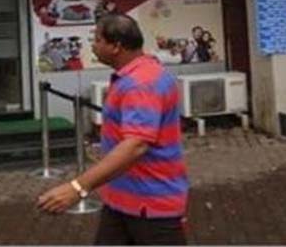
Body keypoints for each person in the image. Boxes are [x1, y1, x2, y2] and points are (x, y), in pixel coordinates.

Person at [37, 14, 188, 245]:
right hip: (122, 202)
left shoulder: (141, 83)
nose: (93, 45)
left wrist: (78, 188)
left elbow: (136, 145)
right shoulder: (138, 73)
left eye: (97, 40)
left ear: (116, 46)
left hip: (150, 208)